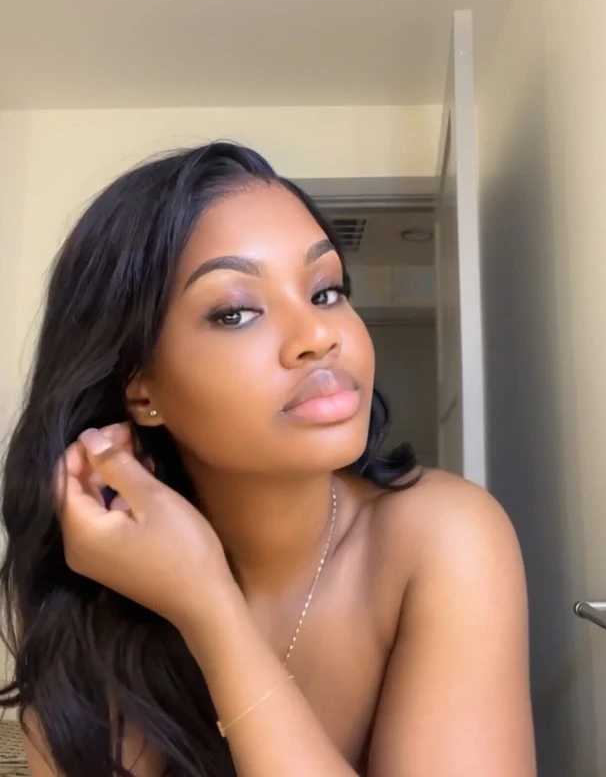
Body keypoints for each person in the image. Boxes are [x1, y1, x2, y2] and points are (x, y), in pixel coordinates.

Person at [0, 142, 536, 777]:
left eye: (326, 291)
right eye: (236, 312)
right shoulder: (96, 589)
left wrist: (209, 608)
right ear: (140, 389)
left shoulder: (445, 536)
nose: (319, 335)